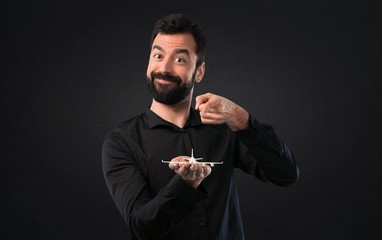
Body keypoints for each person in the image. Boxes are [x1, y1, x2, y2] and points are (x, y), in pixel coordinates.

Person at [102, 13, 299, 240]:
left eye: (180, 60)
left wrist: (242, 118)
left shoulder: (223, 128)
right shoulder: (121, 142)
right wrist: (186, 184)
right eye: (158, 55)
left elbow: (285, 174)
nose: (164, 68)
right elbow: (143, 228)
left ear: (199, 72)